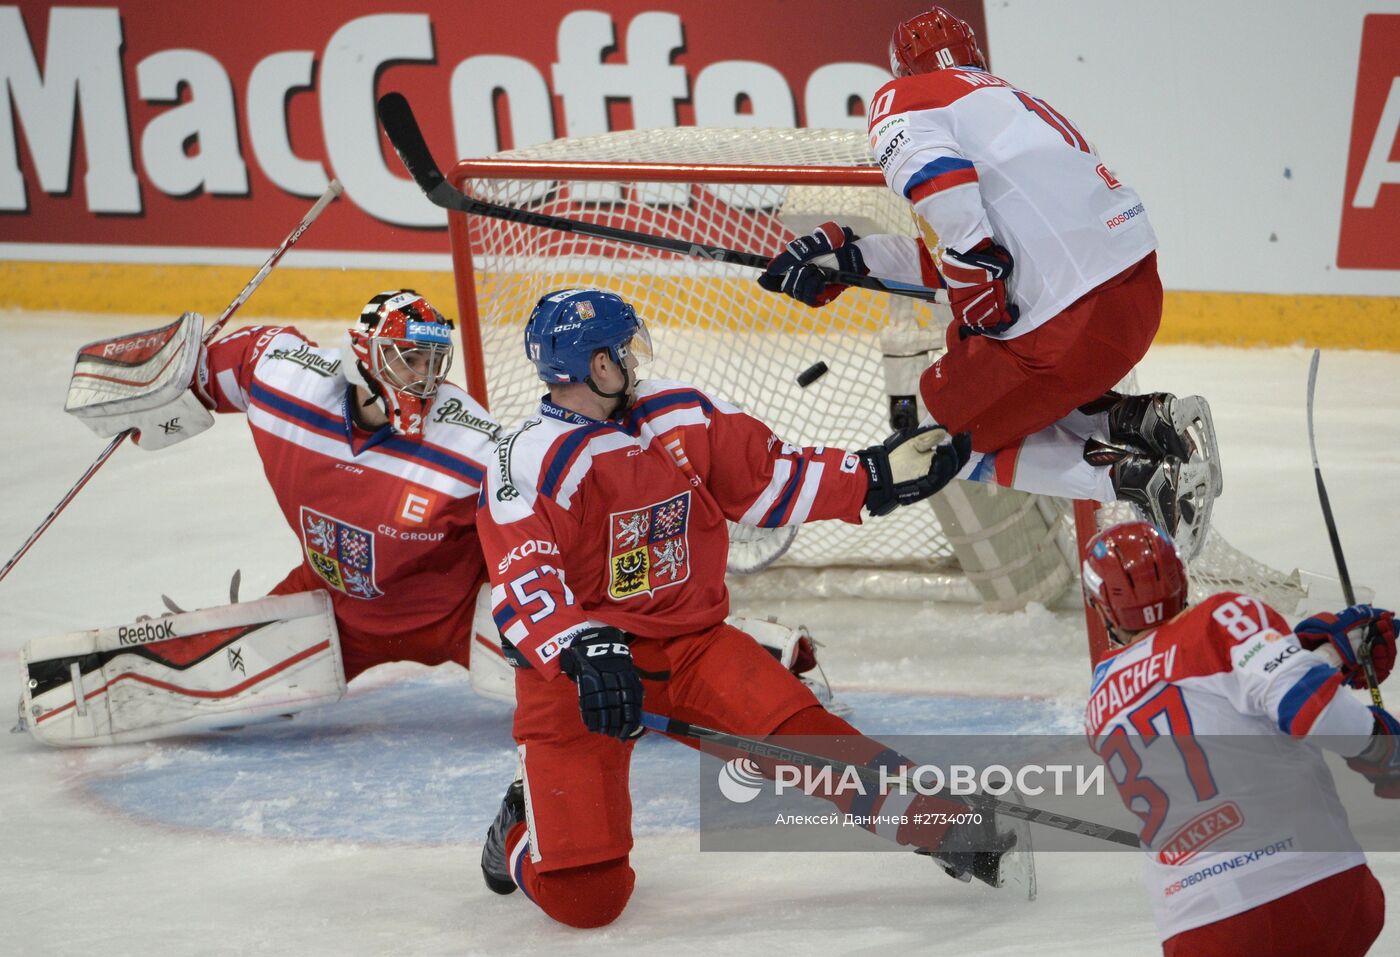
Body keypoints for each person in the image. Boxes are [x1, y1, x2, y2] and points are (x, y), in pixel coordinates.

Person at [473, 287, 1027, 929]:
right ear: (599, 365)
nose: (636, 358)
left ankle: (941, 827)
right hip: (580, 674)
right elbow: (524, 582)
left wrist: (872, 474)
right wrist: (579, 647)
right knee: (585, 901)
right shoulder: (526, 459)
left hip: (693, 645)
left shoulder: (679, 410)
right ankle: (519, 828)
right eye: (625, 348)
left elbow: (769, 480)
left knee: (813, 741)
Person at [758, 6, 1220, 558]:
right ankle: (1137, 416)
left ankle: (1134, 479)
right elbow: (971, 249)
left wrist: (974, 267)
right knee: (994, 377)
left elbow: (942, 185)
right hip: (1136, 299)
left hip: (1068, 328)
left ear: (902, 70)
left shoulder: (903, 99)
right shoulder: (1015, 105)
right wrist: (850, 258)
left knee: (942, 432)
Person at [1081, 520, 1398, 956]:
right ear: (1182, 577)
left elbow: (1209, 712)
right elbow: (1306, 707)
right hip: (1314, 890)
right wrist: (1383, 750)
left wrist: (1314, 658)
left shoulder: (1099, 703)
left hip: (1196, 927)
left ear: (1102, 609)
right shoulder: (1221, 619)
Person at [194, 289, 499, 683]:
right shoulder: (295, 389)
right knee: (214, 676)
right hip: (334, 610)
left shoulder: (474, 444)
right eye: (409, 359)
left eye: (434, 362)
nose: (424, 377)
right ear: (364, 357)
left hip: (461, 616)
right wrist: (179, 380)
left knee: (580, 692)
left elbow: (535, 534)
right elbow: (239, 360)